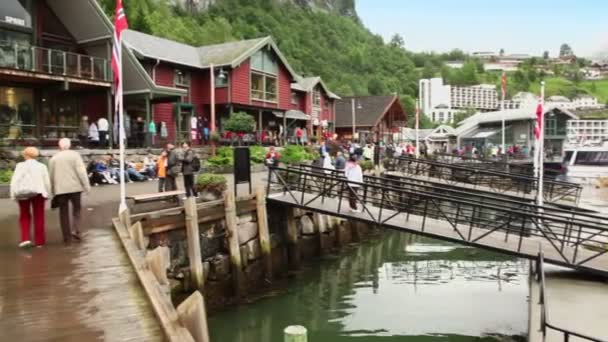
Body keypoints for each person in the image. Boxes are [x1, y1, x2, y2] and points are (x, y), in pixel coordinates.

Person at [49, 138, 90, 243]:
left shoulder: (54, 158)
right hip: (75, 188)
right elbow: (81, 172)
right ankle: (77, 231)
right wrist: (86, 186)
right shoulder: (75, 156)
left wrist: (53, 191)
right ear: (70, 145)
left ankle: (66, 237)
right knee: (77, 210)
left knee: (63, 213)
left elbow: (51, 176)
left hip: (61, 189)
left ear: (59, 146)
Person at [10, 147, 51, 248]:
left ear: (25, 155)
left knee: (24, 215)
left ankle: (25, 239)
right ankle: (39, 242)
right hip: (39, 193)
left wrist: (13, 195)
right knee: (39, 216)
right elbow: (47, 181)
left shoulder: (20, 166)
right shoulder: (42, 166)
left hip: (23, 193)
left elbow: (15, 181)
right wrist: (48, 193)